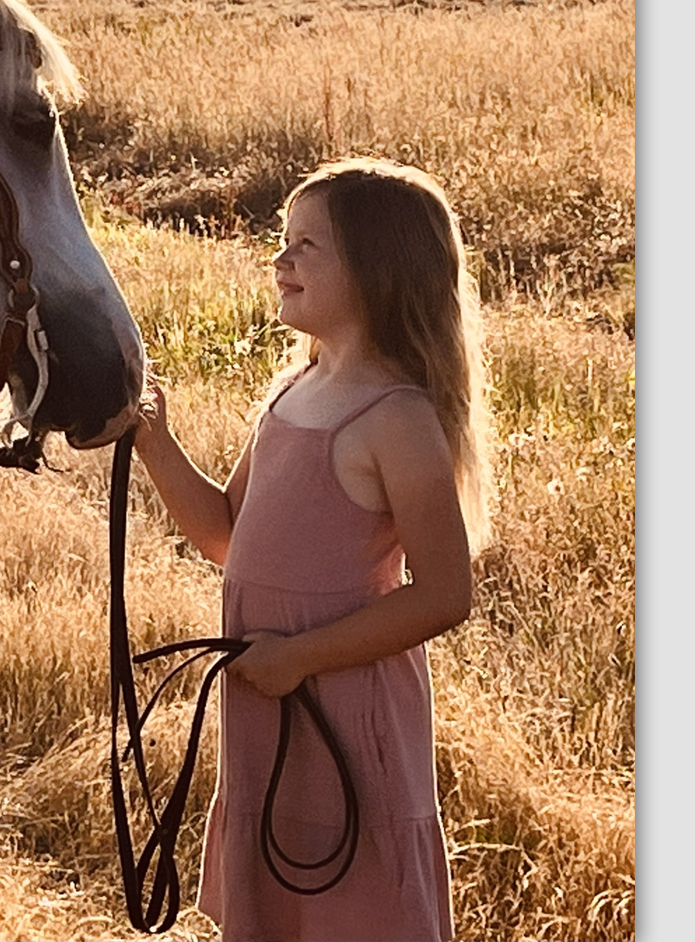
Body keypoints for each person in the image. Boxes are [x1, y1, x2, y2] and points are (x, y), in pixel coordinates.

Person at [132, 158, 491, 941]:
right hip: (272, 706)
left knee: (350, 898)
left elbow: (444, 594)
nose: (280, 261)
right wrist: (156, 445)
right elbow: (226, 534)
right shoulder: (295, 389)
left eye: (306, 246)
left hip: (344, 714)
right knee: (283, 887)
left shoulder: (396, 418)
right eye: (281, 241)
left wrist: (302, 657)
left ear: (376, 268)